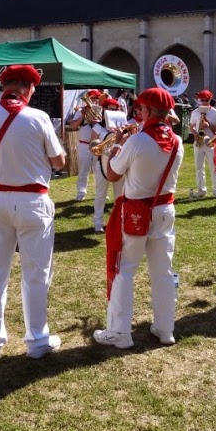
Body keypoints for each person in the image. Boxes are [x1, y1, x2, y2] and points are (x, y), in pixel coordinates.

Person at [0, 64, 66, 359]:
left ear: (5, 87)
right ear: (28, 88)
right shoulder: (38, 117)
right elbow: (59, 162)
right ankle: (37, 340)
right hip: (32, 201)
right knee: (36, 273)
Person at [94, 87, 184, 348]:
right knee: (163, 271)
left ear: (146, 111)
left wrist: (117, 146)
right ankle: (165, 329)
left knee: (125, 270)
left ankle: (120, 333)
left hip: (136, 211)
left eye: (140, 109)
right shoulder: (177, 141)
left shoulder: (138, 140)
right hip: (165, 210)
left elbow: (112, 175)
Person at [90, 96, 127, 233]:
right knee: (100, 194)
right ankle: (98, 222)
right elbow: (92, 144)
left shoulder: (124, 127)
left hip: (118, 162)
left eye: (115, 109)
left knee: (119, 195)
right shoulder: (98, 126)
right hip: (102, 163)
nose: (112, 111)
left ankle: (119, 221)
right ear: (105, 110)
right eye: (110, 109)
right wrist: (100, 146)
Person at [67, 89, 102, 201]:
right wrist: (82, 115)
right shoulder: (81, 110)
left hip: (98, 144)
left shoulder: (102, 111)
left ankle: (100, 192)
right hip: (84, 144)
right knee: (83, 170)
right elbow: (73, 126)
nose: (93, 100)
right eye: (91, 98)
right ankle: (81, 192)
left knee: (99, 170)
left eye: (95, 98)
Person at [189, 89, 216, 199]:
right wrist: (195, 134)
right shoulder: (195, 112)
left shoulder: (214, 112)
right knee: (199, 167)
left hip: (210, 141)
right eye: (202, 100)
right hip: (199, 141)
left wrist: (208, 125)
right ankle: (201, 190)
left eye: (206, 100)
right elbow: (191, 127)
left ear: (210, 100)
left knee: (214, 167)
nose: (204, 102)